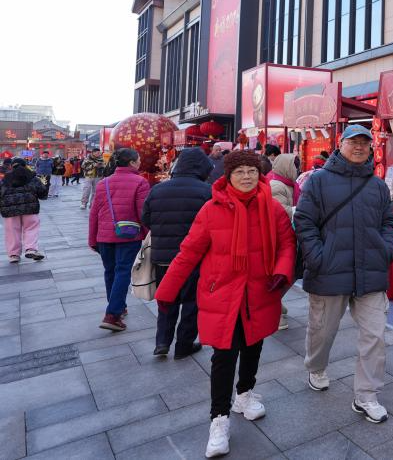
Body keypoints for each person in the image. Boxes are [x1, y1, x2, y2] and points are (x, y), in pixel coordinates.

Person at [154, 150, 296, 458]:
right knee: (224, 357)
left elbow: (287, 243)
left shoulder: (272, 208)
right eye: (239, 171)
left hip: (259, 292)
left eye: (252, 171)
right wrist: (167, 291)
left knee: (253, 346)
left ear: (260, 174)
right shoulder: (211, 209)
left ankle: (245, 393)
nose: (247, 177)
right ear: (228, 176)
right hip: (222, 294)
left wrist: (282, 270)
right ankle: (219, 418)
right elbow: (189, 252)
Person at [294, 124, 393, 424]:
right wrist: (317, 256)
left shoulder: (377, 185)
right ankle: (316, 367)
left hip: (371, 270)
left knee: (375, 335)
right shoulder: (318, 180)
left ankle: (367, 395)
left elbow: (388, 223)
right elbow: (304, 221)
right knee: (322, 331)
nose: (359, 147)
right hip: (329, 269)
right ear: (340, 144)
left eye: (365, 143)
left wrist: (386, 249)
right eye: (354, 142)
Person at [141, 147, 212, 358]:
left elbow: (146, 219)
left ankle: (162, 341)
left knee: (166, 298)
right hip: (194, 259)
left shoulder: (158, 190)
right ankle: (184, 345)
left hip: (163, 257)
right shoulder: (207, 191)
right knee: (192, 302)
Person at [88, 148, 151, 331]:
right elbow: (143, 212)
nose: (140, 162)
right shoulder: (140, 182)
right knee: (123, 271)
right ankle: (113, 314)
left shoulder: (104, 182)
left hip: (104, 236)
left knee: (110, 271)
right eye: (138, 159)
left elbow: (94, 213)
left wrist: (92, 238)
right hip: (128, 236)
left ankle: (117, 307)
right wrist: (149, 234)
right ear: (131, 162)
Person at [267, 153, 300, 331]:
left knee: (289, 273)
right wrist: (298, 209)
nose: (297, 169)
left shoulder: (287, 184)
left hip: (286, 236)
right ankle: (275, 310)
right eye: (295, 166)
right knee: (287, 273)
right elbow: (278, 210)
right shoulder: (277, 185)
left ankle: (276, 306)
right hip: (280, 238)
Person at [2, 158, 47, 263]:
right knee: (31, 228)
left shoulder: (5, 179)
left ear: (12, 166)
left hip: (10, 210)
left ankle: (14, 255)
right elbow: (42, 192)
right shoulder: (32, 177)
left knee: (12, 231)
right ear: (25, 165)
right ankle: (30, 249)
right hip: (30, 208)